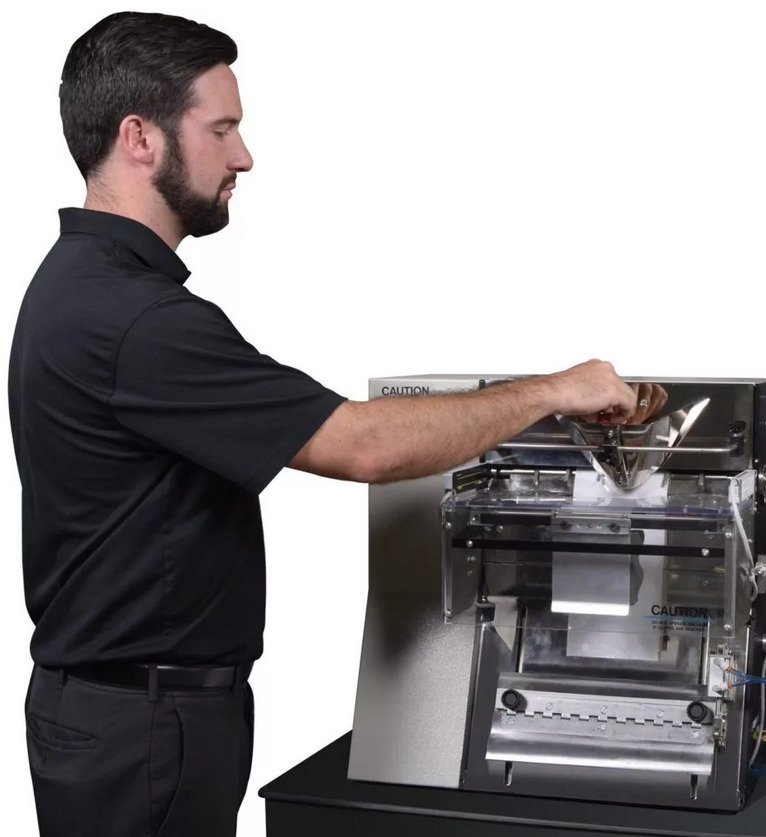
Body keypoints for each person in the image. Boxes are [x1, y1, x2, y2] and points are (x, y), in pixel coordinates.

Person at [6, 11, 638, 837]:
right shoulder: (137, 320)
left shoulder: (75, 283)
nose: (243, 156)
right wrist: (556, 389)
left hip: (118, 710)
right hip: (146, 725)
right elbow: (363, 445)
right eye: (221, 129)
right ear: (140, 138)